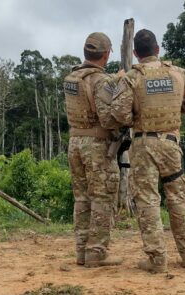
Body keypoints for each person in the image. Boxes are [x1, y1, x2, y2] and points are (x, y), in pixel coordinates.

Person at [111, 29, 185, 273]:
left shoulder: (132, 77)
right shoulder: (179, 73)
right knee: (178, 197)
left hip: (143, 145)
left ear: (135, 53)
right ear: (158, 49)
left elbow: (119, 113)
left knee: (147, 201)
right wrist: (175, 110)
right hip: (171, 144)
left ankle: (157, 259)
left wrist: (135, 117)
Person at [64, 32, 125, 268]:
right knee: (102, 197)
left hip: (75, 143)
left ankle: (81, 251)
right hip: (97, 146)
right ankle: (97, 253)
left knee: (81, 199)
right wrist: (116, 86)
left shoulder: (72, 77)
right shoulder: (101, 81)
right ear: (106, 54)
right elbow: (108, 118)